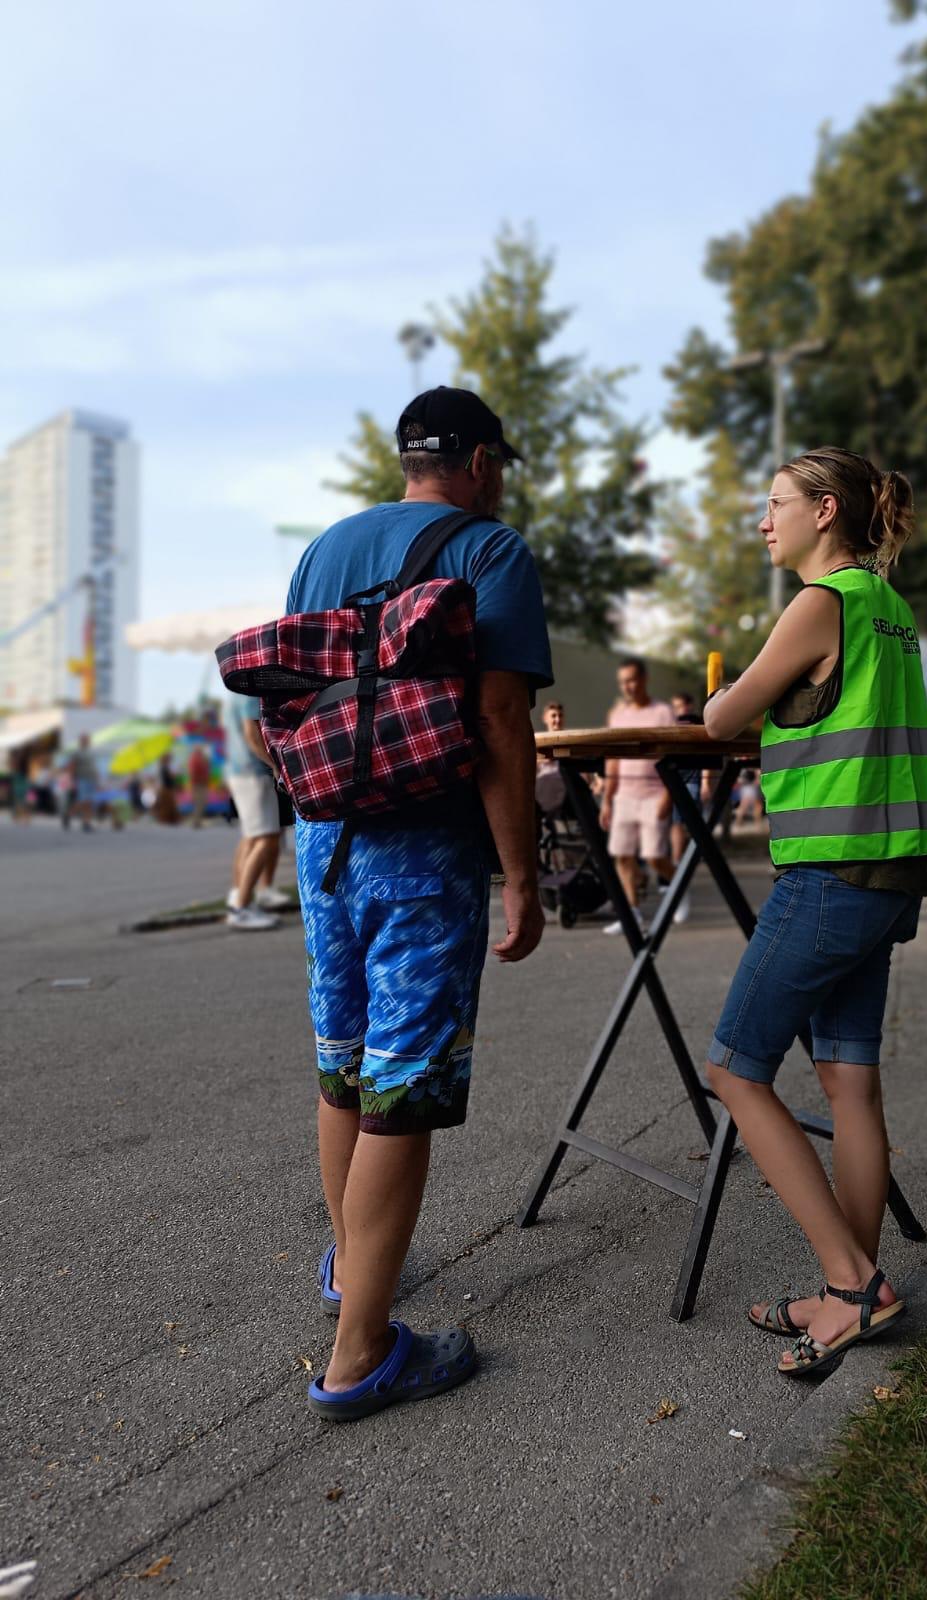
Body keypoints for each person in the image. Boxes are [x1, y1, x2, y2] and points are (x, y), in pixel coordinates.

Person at [284, 386, 551, 1422]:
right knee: (404, 1081)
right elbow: (500, 719)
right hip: (423, 848)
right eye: (500, 465)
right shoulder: (491, 550)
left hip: (324, 842)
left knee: (343, 1061)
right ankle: (361, 1355)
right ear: (481, 462)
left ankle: (352, 1266)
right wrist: (521, 872)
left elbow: (291, 701)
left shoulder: (326, 549)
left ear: (408, 458)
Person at [703, 446, 927, 1380]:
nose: (765, 522)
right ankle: (851, 1293)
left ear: (825, 510)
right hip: (889, 874)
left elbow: (723, 719)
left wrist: (721, 698)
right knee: (850, 1084)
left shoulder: (820, 603)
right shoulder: (892, 610)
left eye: (776, 504)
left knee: (734, 1070)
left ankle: (853, 1282)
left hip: (829, 875)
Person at [599, 659, 675, 936]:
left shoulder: (662, 712)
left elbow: (673, 756)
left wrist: (669, 795)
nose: (628, 687)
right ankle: (632, 914)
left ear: (644, 679)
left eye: (632, 680)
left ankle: (679, 889)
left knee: (654, 857)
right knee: (622, 856)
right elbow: (612, 761)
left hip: (654, 794)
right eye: (623, 682)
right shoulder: (617, 715)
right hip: (624, 795)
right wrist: (607, 800)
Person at [222, 694, 288, 930]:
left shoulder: (234, 692)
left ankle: (238, 897)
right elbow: (252, 735)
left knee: (251, 837)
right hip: (254, 772)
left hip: (239, 770)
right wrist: (275, 765)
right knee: (267, 838)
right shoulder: (249, 693)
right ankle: (241, 908)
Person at [668, 690, 705, 925]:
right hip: (673, 776)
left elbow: (707, 753)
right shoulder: (671, 723)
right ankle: (676, 861)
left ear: (690, 705)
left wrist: (706, 781)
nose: (680, 710)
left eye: (682, 705)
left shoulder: (697, 723)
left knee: (686, 822)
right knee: (675, 822)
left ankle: (684, 859)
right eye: (676, 706)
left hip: (691, 779)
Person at [69, 734, 98, 832]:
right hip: (82, 779)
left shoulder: (91, 752)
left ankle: (86, 823)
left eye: (87, 740)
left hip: (92, 779)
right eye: (84, 740)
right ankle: (69, 814)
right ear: (81, 741)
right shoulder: (77, 752)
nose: (86, 741)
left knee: (90, 802)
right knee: (83, 801)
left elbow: (93, 766)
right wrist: (72, 779)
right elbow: (72, 766)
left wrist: (97, 778)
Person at [187, 738, 212, 827]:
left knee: (201, 803)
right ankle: (196, 821)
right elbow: (194, 772)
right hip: (199, 783)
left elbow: (206, 768)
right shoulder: (195, 758)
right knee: (199, 803)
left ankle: (197, 821)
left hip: (200, 783)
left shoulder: (200, 758)